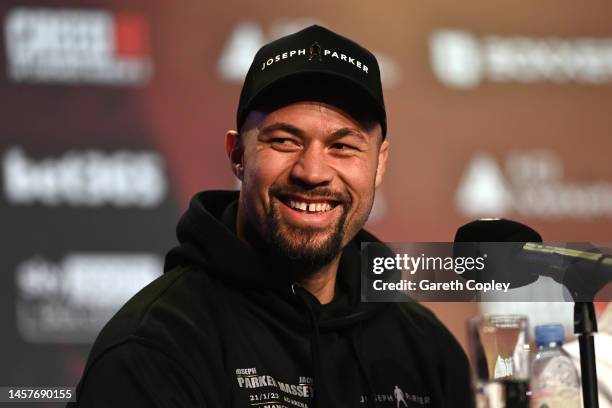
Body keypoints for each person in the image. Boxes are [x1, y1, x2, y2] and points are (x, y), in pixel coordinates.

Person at [69, 25, 474, 407]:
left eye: (343, 147)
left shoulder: (427, 350)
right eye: (284, 141)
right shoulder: (153, 350)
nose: (312, 172)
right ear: (238, 155)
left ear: (379, 165)